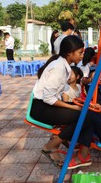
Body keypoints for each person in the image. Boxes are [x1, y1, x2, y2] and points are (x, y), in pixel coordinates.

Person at [30, 35, 84, 168]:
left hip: (46, 105)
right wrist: (72, 107)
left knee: (84, 111)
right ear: (69, 53)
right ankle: (51, 146)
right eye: (80, 52)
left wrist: (75, 104)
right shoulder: (59, 68)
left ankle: (62, 138)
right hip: (41, 108)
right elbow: (48, 98)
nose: (82, 56)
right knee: (82, 117)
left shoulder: (62, 65)